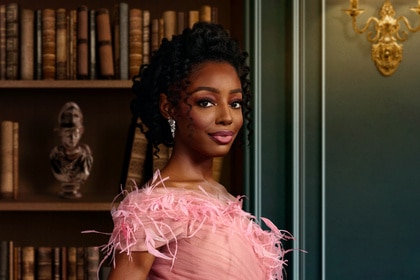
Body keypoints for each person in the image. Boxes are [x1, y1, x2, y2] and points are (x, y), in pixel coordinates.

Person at [102, 22, 292, 280]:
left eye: (235, 103)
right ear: (169, 107)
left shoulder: (223, 196)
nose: (227, 117)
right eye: (206, 102)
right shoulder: (151, 208)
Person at [50, 102, 93, 199]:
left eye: (76, 133)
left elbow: (84, 173)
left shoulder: (86, 155)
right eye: (68, 133)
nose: (72, 137)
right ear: (60, 132)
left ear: (81, 131)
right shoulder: (55, 156)